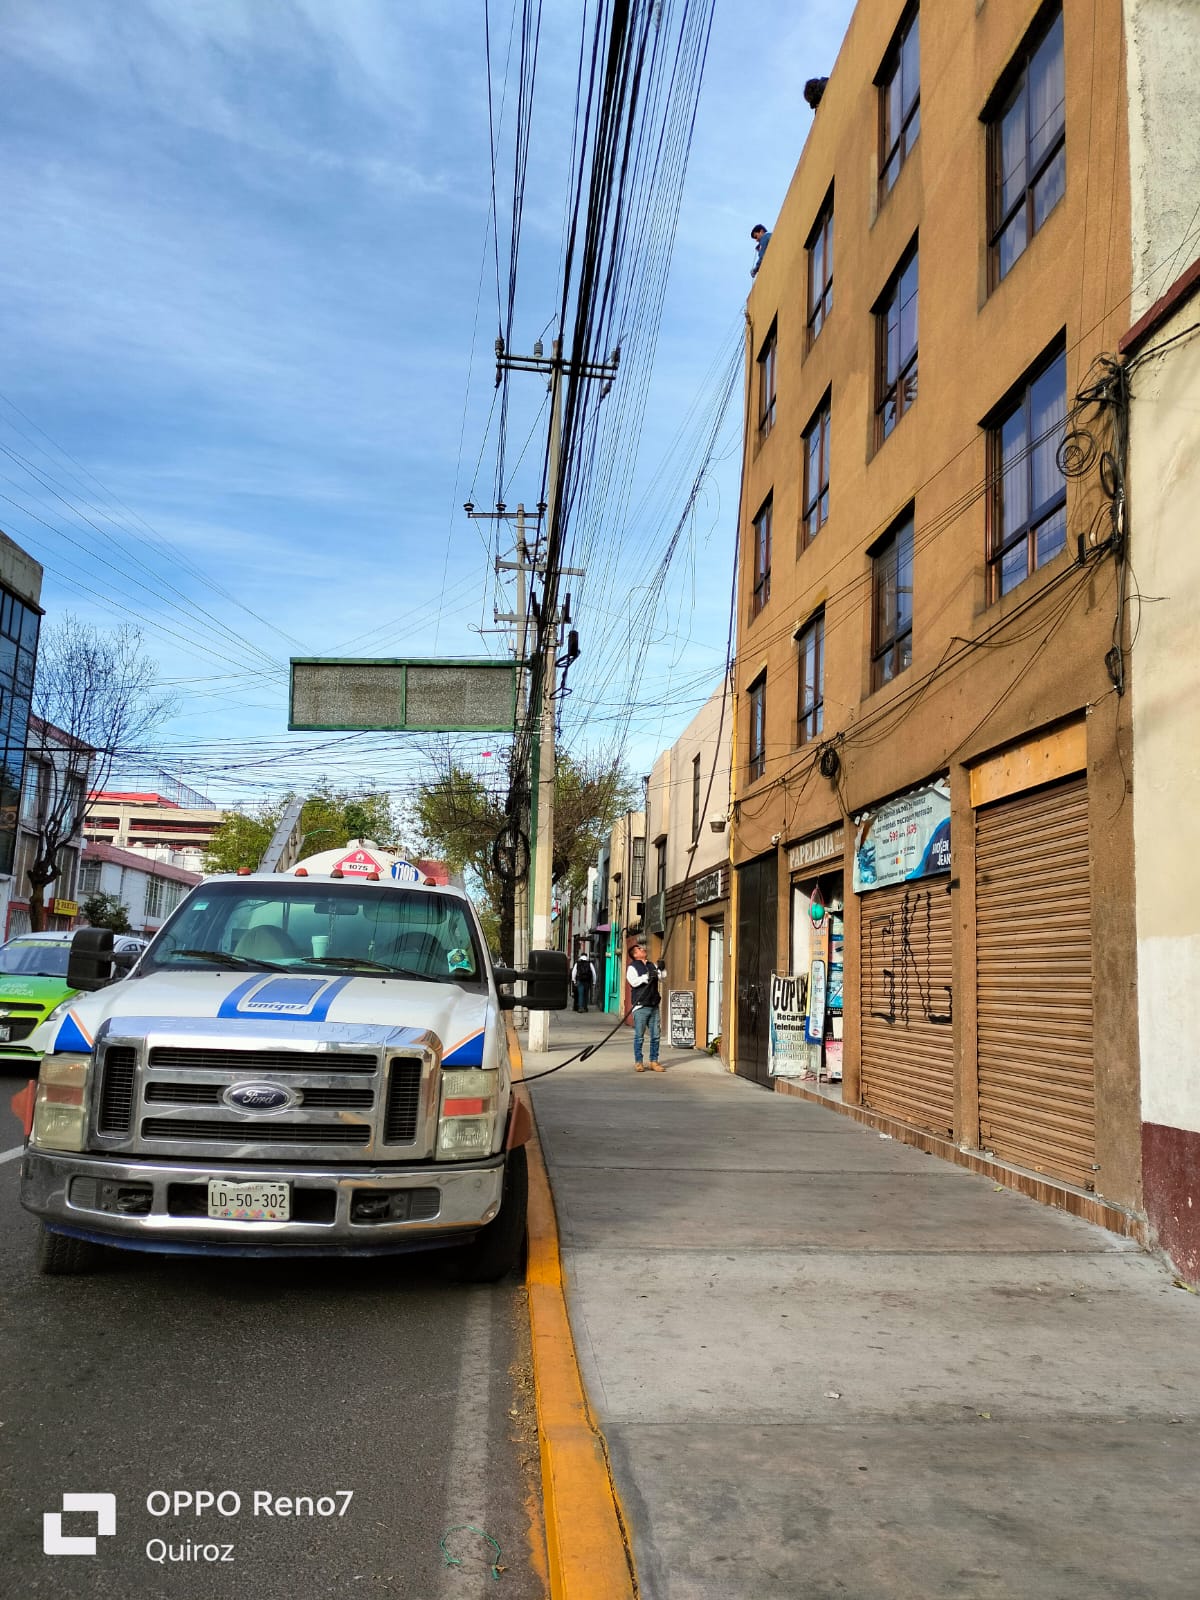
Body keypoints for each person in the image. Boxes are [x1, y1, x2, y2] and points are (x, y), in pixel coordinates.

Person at [626, 939, 666, 1071]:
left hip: (653, 1004)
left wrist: (661, 968)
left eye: (642, 948)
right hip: (641, 1005)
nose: (643, 949)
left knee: (655, 1036)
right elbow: (633, 982)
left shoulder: (651, 965)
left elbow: (662, 978)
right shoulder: (632, 967)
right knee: (639, 1036)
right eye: (639, 949)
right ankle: (639, 1062)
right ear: (635, 954)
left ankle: (654, 1061)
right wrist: (647, 977)